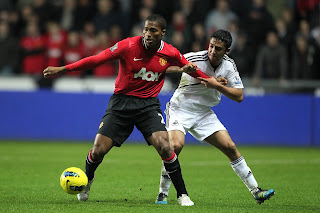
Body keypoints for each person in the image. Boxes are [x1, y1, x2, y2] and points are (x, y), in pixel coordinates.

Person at [43, 14, 210, 206]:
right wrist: (63, 69)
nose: (147, 34)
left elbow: (192, 69)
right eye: (146, 29)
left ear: (163, 33)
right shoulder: (128, 45)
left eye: (153, 30)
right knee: (98, 150)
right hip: (120, 104)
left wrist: (213, 82)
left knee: (165, 146)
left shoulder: (171, 52)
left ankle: (182, 194)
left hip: (148, 105)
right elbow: (97, 59)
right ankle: (87, 181)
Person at [155, 29, 275, 205]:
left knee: (230, 146)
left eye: (218, 48)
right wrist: (182, 68)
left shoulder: (229, 65)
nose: (212, 51)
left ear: (227, 51)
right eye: (211, 46)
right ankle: (162, 194)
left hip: (203, 113)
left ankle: (256, 191)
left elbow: (239, 96)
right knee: (176, 145)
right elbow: (163, 65)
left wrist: (216, 86)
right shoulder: (194, 57)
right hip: (180, 109)